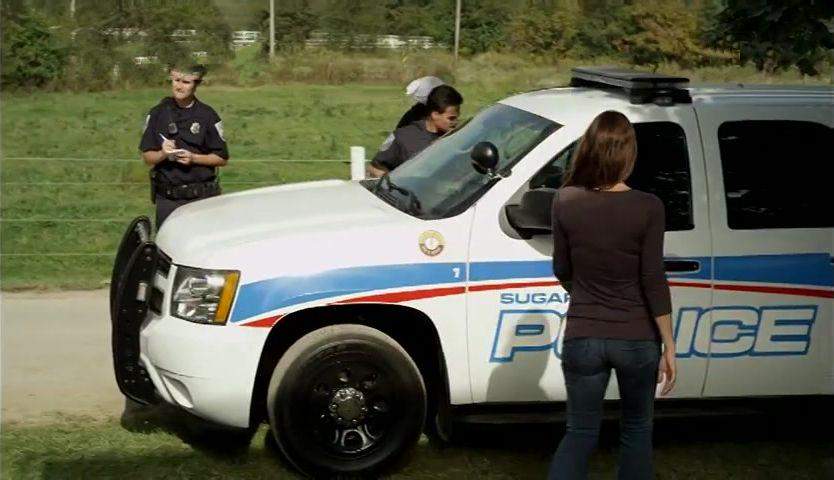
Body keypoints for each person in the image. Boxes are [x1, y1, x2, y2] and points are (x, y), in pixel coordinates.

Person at [548, 111, 677, 479]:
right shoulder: (648, 206)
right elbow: (653, 278)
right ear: (628, 154)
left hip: (584, 336)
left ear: (589, 149)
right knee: (636, 432)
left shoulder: (565, 200)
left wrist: (585, 293)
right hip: (637, 339)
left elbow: (562, 268)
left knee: (579, 433)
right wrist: (669, 345)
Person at [139, 64, 229, 228]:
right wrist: (163, 154)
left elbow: (222, 158)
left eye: (186, 82)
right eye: (176, 80)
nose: (179, 86)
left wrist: (194, 158)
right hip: (168, 200)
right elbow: (147, 156)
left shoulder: (208, 115)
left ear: (196, 84)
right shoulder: (157, 113)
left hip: (201, 199)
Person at [367, 84, 463, 178]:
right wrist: (393, 184)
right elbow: (375, 167)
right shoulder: (403, 137)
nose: (456, 122)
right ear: (435, 114)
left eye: (457, 118)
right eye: (451, 118)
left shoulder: (457, 138)